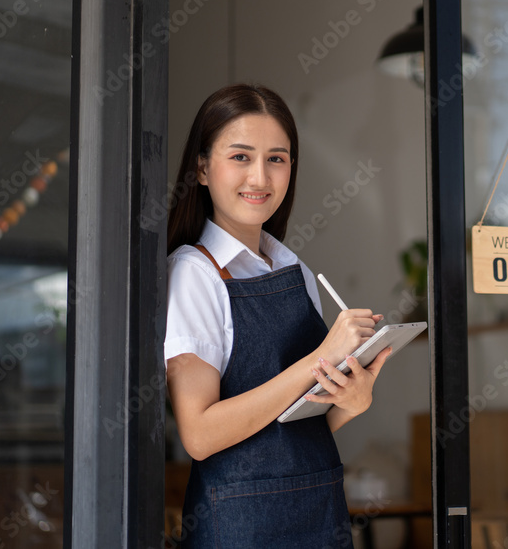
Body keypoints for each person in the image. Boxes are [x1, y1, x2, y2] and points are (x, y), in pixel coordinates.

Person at [164, 83, 391, 548]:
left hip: (320, 510)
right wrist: (318, 360)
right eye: (241, 157)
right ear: (203, 168)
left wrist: (351, 401)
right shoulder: (193, 273)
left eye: (277, 159)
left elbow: (295, 428)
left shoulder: (295, 270)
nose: (260, 178)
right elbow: (199, 434)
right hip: (240, 526)